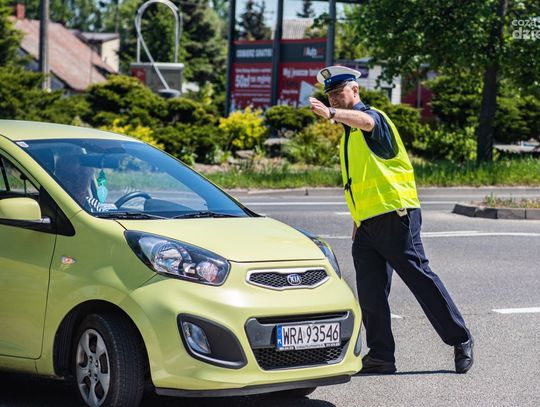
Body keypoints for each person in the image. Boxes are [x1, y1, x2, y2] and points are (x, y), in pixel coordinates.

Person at [309, 66, 473, 374]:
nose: (333, 99)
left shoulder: (373, 118)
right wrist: (357, 222)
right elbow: (362, 182)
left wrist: (331, 114)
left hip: (396, 218)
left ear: (355, 91)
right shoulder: (349, 135)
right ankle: (382, 356)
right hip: (367, 225)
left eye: (338, 93)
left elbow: (367, 121)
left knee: (420, 280)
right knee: (370, 293)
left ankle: (460, 338)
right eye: (330, 95)